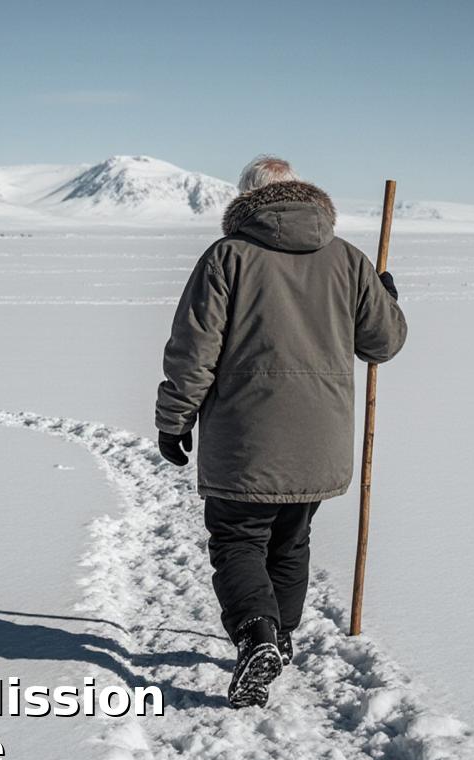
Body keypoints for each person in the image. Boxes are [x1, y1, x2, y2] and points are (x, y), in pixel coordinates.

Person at [155, 155, 407, 708]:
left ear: (245, 200)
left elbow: (193, 352)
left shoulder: (227, 256)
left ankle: (257, 634)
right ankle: (281, 637)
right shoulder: (347, 258)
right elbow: (383, 344)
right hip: (323, 442)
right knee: (291, 541)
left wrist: (173, 421)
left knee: (239, 540)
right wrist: (385, 297)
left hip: (246, 441)